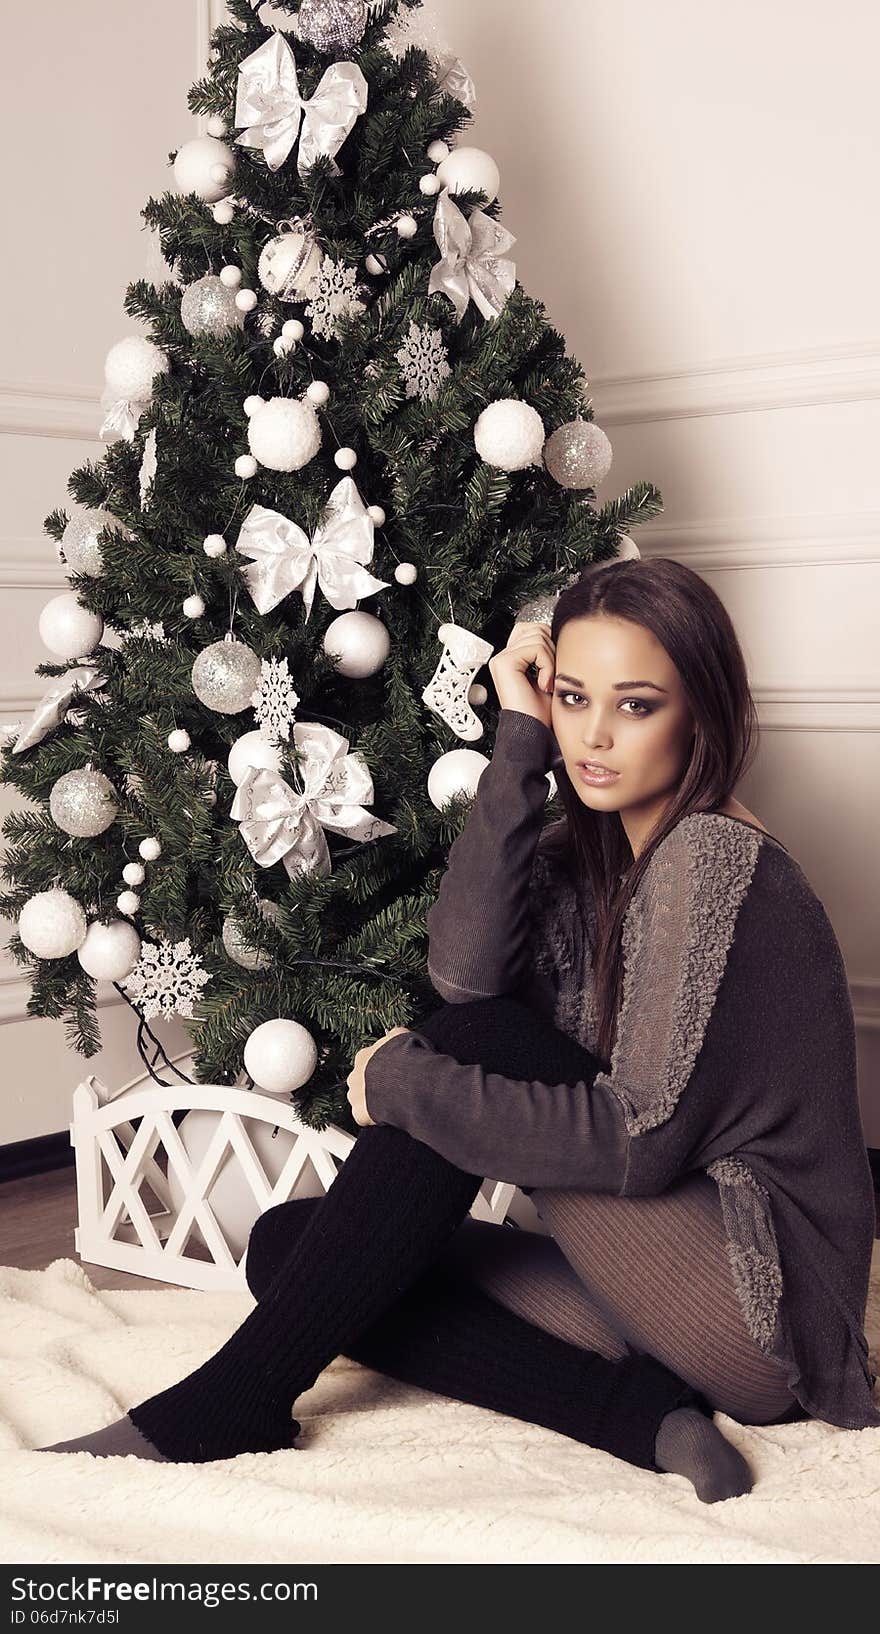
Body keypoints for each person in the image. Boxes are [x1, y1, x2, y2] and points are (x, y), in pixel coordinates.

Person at [40, 557, 879, 1502]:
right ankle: (641, 1416)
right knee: (296, 1253)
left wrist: (406, 1084)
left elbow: (634, 1141)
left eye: (636, 705)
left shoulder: (712, 860)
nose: (594, 736)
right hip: (659, 1278)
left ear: (703, 715)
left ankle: (230, 1404)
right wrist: (520, 742)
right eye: (572, 697)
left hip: (758, 1304)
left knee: (474, 1052)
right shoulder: (604, 848)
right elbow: (465, 972)